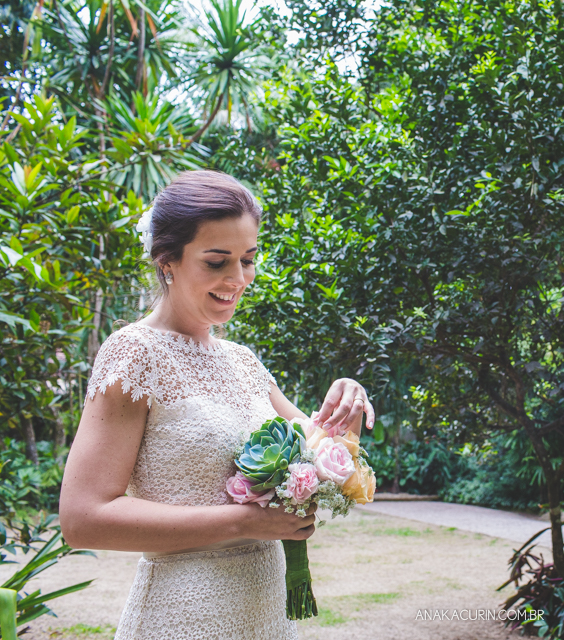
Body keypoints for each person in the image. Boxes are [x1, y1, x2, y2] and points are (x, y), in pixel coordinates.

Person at [59, 170, 375, 640]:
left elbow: (326, 456)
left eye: (248, 259)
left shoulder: (243, 361)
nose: (238, 279)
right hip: (183, 616)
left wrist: (347, 400)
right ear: (167, 260)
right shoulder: (136, 353)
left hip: (267, 616)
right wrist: (244, 521)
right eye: (216, 261)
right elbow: (83, 520)